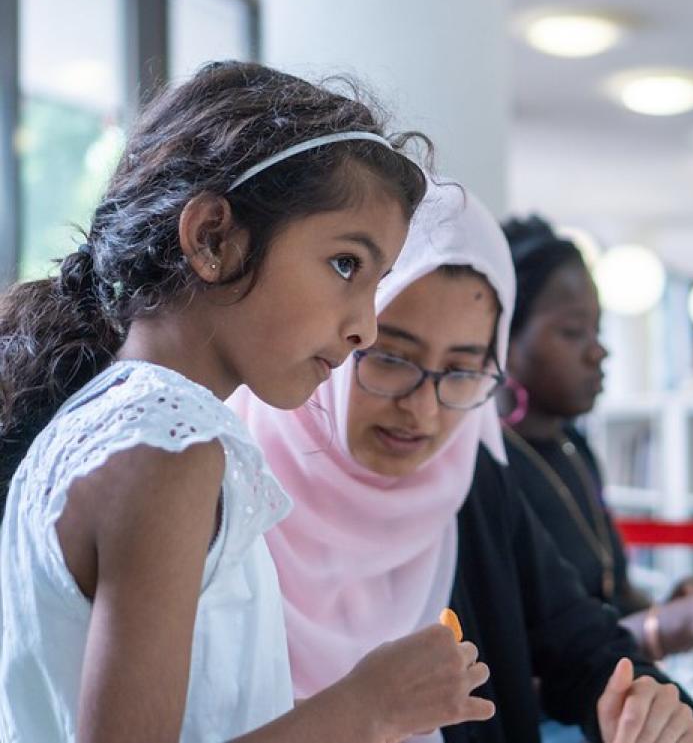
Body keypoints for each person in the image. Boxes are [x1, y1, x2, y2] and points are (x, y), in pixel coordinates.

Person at [0, 62, 492, 742]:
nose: (364, 327)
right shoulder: (166, 445)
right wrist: (366, 706)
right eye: (345, 264)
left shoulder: (121, 423)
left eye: (373, 284)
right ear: (212, 238)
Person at [233, 183, 693, 743]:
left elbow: (584, 647)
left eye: (461, 371)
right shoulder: (229, 488)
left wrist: (644, 702)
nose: (422, 409)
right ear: (341, 335)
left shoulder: (469, 483)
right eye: (390, 358)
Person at [500, 216, 693, 675]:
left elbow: (606, 600)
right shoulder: (486, 469)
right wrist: (673, 626)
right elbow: (529, 662)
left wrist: (670, 607)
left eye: (598, 329)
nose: (598, 351)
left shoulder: (572, 448)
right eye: (573, 333)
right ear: (502, 338)